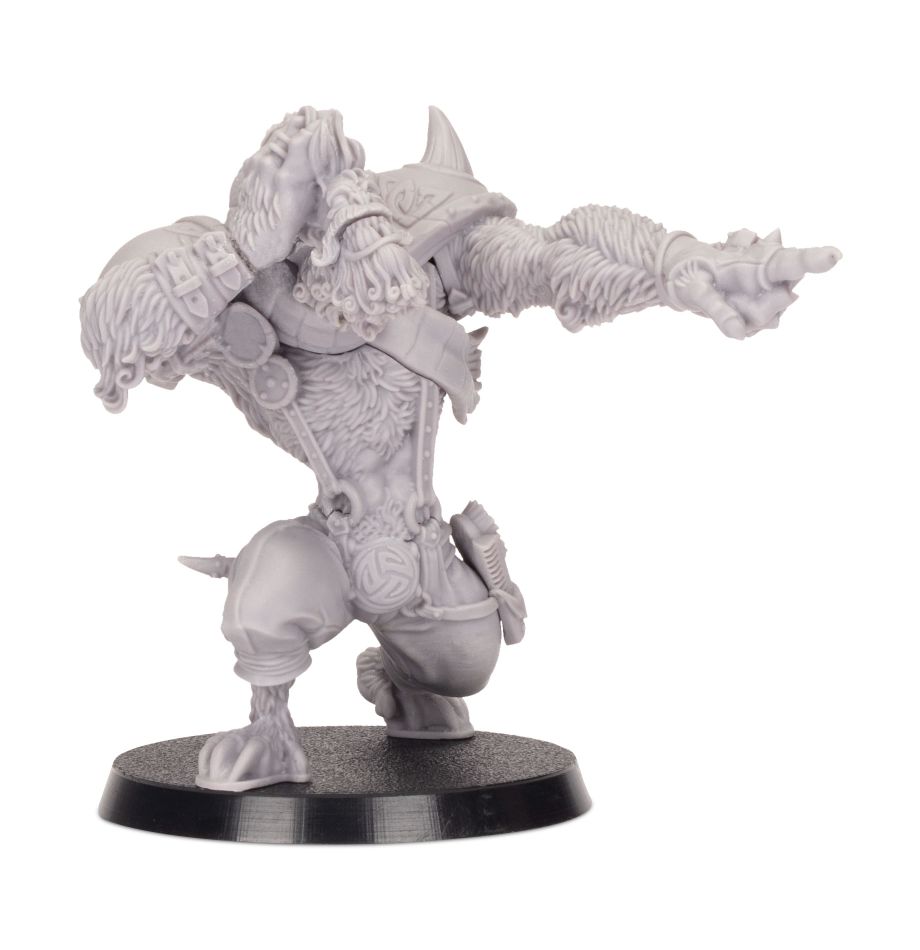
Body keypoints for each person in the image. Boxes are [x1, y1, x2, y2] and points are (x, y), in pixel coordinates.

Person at [80, 106, 840, 791]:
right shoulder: (231, 282)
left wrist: (675, 264)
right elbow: (110, 329)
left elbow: (555, 255)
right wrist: (242, 250)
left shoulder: (431, 258)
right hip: (330, 539)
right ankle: (270, 729)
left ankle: (406, 679)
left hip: (416, 545)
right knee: (265, 598)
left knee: (467, 666)